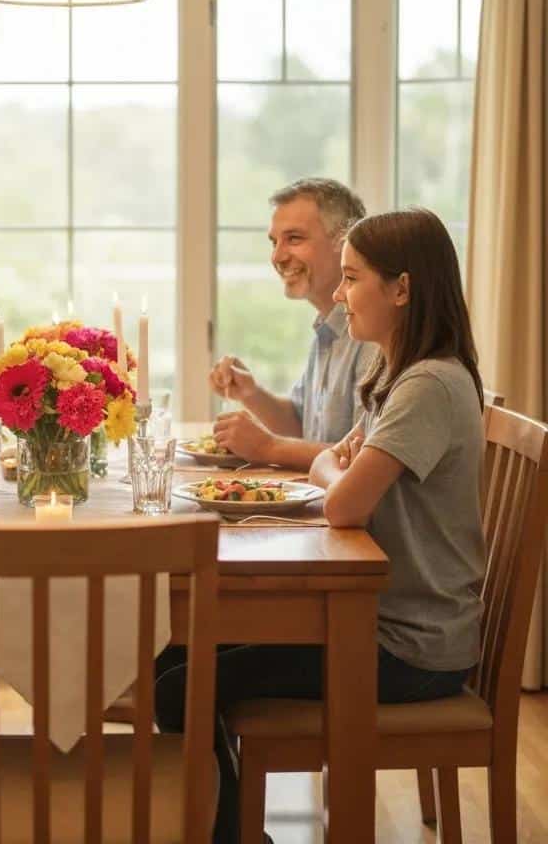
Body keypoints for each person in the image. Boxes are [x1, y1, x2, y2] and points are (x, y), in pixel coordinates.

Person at [156, 208, 486, 844]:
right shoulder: (398, 376)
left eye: (352, 278)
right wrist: (333, 462)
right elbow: (336, 461)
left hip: (409, 647)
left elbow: (343, 503)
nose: (338, 293)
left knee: (181, 685)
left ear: (403, 289)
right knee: (175, 652)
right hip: (394, 623)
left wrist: (333, 466)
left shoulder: (428, 386)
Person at [210, 178, 378, 470]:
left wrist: (267, 448)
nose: (277, 257)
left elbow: (360, 458)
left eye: (294, 239)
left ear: (345, 242)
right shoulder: (327, 327)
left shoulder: (373, 335)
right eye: (275, 242)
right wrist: (250, 393)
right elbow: (302, 427)